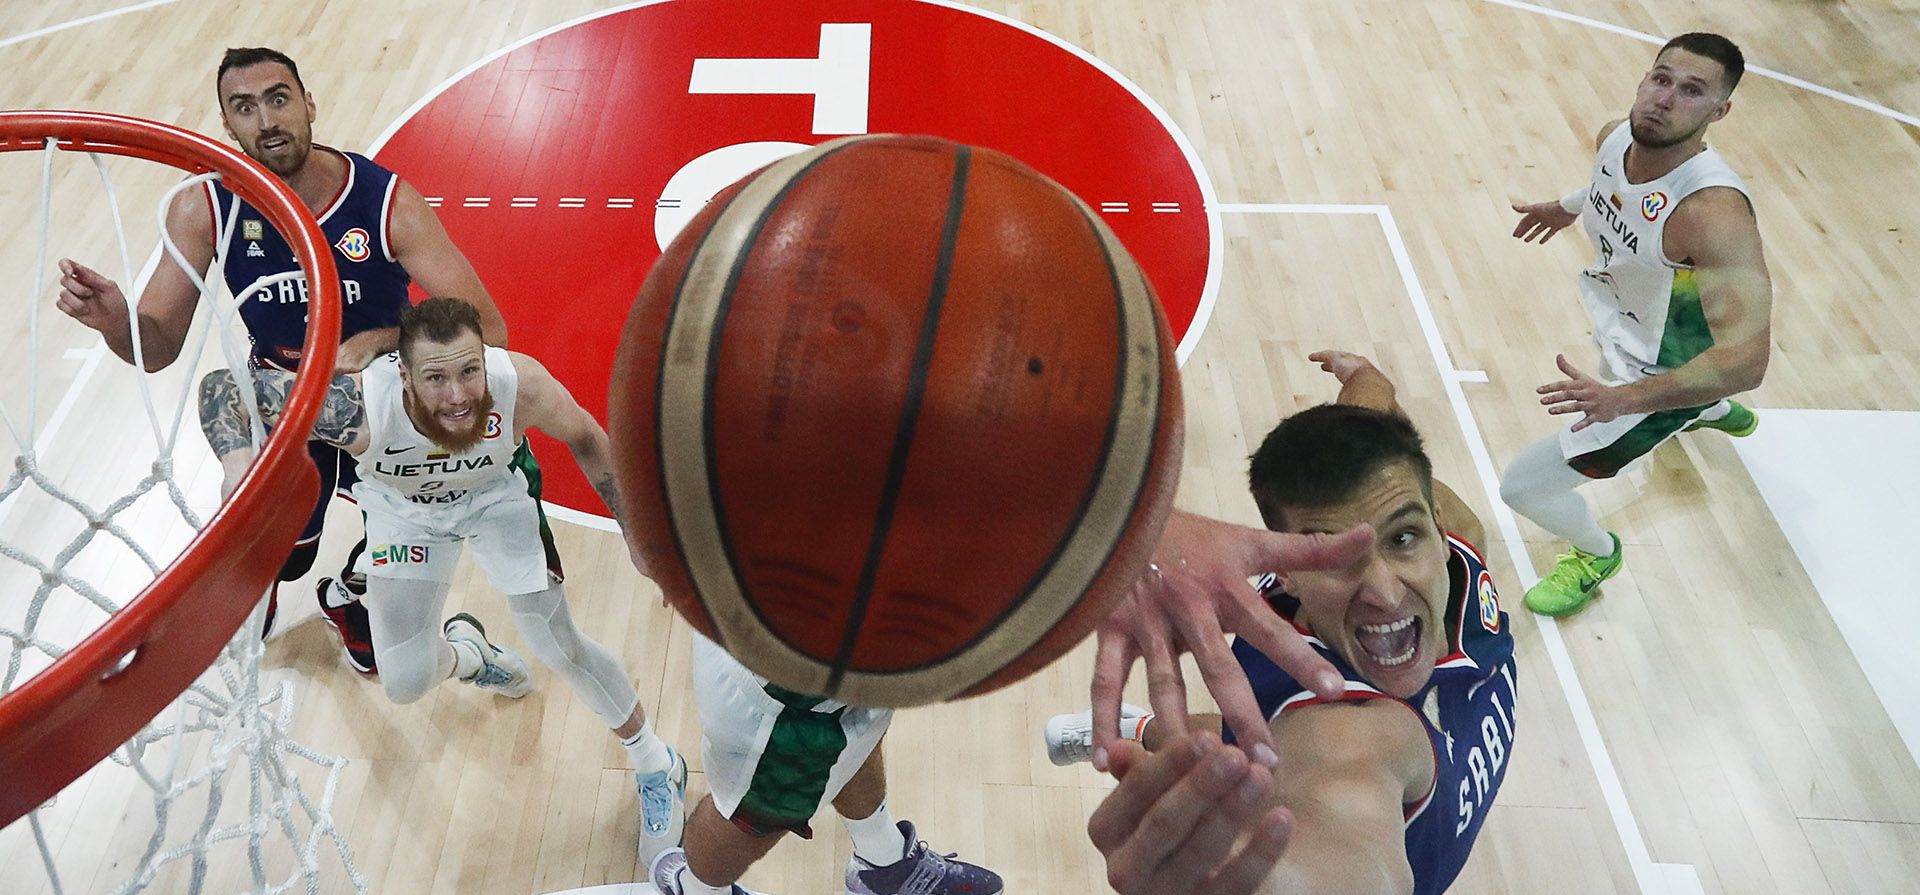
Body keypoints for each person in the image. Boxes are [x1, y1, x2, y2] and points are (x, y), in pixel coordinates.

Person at [56, 46, 512, 671]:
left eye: (278, 98)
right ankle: (279, 573)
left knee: (439, 516)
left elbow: (488, 328)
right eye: (245, 108)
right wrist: (115, 319)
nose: (267, 120)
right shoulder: (204, 209)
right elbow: (155, 347)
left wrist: (383, 339)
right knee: (287, 552)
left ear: (308, 104)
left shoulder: (383, 202)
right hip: (281, 397)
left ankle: (347, 593)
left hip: (374, 398)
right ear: (228, 125)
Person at [196, 297, 684, 867]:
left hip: (495, 501)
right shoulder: (356, 407)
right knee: (403, 682)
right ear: (403, 375)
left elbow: (585, 436)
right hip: (406, 516)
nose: (457, 395)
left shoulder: (518, 385)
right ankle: (470, 656)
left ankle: (655, 761)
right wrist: (236, 468)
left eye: (469, 370)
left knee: (558, 644)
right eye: (435, 378)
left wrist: (635, 531)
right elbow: (221, 387)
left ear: (485, 359)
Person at [1054, 351, 1517, 895]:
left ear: (1437, 528)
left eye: (1403, 538)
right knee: (1253, 759)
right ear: (1287, 571)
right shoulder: (1348, 732)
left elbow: (1371, 435)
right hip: (1308, 724)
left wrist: (1369, 382)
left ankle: (1137, 728)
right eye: (1337, 559)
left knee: (1236, 752)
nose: (1387, 593)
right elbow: (1340, 838)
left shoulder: (1462, 547)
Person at [1502, 32, 1772, 617]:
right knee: (1675, 378)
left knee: (1521, 487)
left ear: (1719, 112)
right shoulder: (1615, 136)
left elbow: (1746, 360)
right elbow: (1611, 186)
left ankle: (1596, 552)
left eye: (1692, 91)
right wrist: (1566, 206)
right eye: (1661, 78)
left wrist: (1627, 399)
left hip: (1658, 373)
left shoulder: (1713, 214)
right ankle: (1710, 411)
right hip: (1630, 329)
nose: (1664, 98)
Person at [647, 634, 1001, 895]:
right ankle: (694, 889)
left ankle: (884, 862)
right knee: (750, 822)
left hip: (849, 664)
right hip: (788, 703)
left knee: (853, 739)